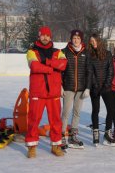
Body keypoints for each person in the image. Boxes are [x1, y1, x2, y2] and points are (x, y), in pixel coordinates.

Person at [25, 26, 67, 158]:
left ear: (50, 37)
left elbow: (63, 65)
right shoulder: (31, 51)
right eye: (42, 35)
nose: (45, 37)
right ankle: (32, 147)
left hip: (53, 93)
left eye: (47, 35)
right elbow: (34, 66)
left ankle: (56, 146)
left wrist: (47, 61)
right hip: (37, 93)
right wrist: (51, 68)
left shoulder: (58, 51)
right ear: (39, 36)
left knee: (55, 121)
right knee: (33, 120)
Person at [61, 29, 91, 150]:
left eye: (78, 38)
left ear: (81, 40)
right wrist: (60, 86)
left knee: (77, 112)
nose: (76, 40)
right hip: (68, 87)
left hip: (81, 88)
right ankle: (63, 136)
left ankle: (73, 136)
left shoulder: (86, 53)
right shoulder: (64, 52)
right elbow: (59, 71)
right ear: (71, 39)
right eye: (74, 38)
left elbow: (89, 72)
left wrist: (88, 87)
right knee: (66, 113)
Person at [88, 33, 115, 146]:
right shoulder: (89, 54)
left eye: (95, 41)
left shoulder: (108, 54)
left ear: (99, 41)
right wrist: (95, 85)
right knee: (96, 110)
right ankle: (95, 132)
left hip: (106, 87)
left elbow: (111, 70)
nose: (93, 43)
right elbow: (90, 72)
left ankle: (107, 132)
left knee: (111, 109)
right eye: (91, 41)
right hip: (94, 87)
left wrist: (106, 84)